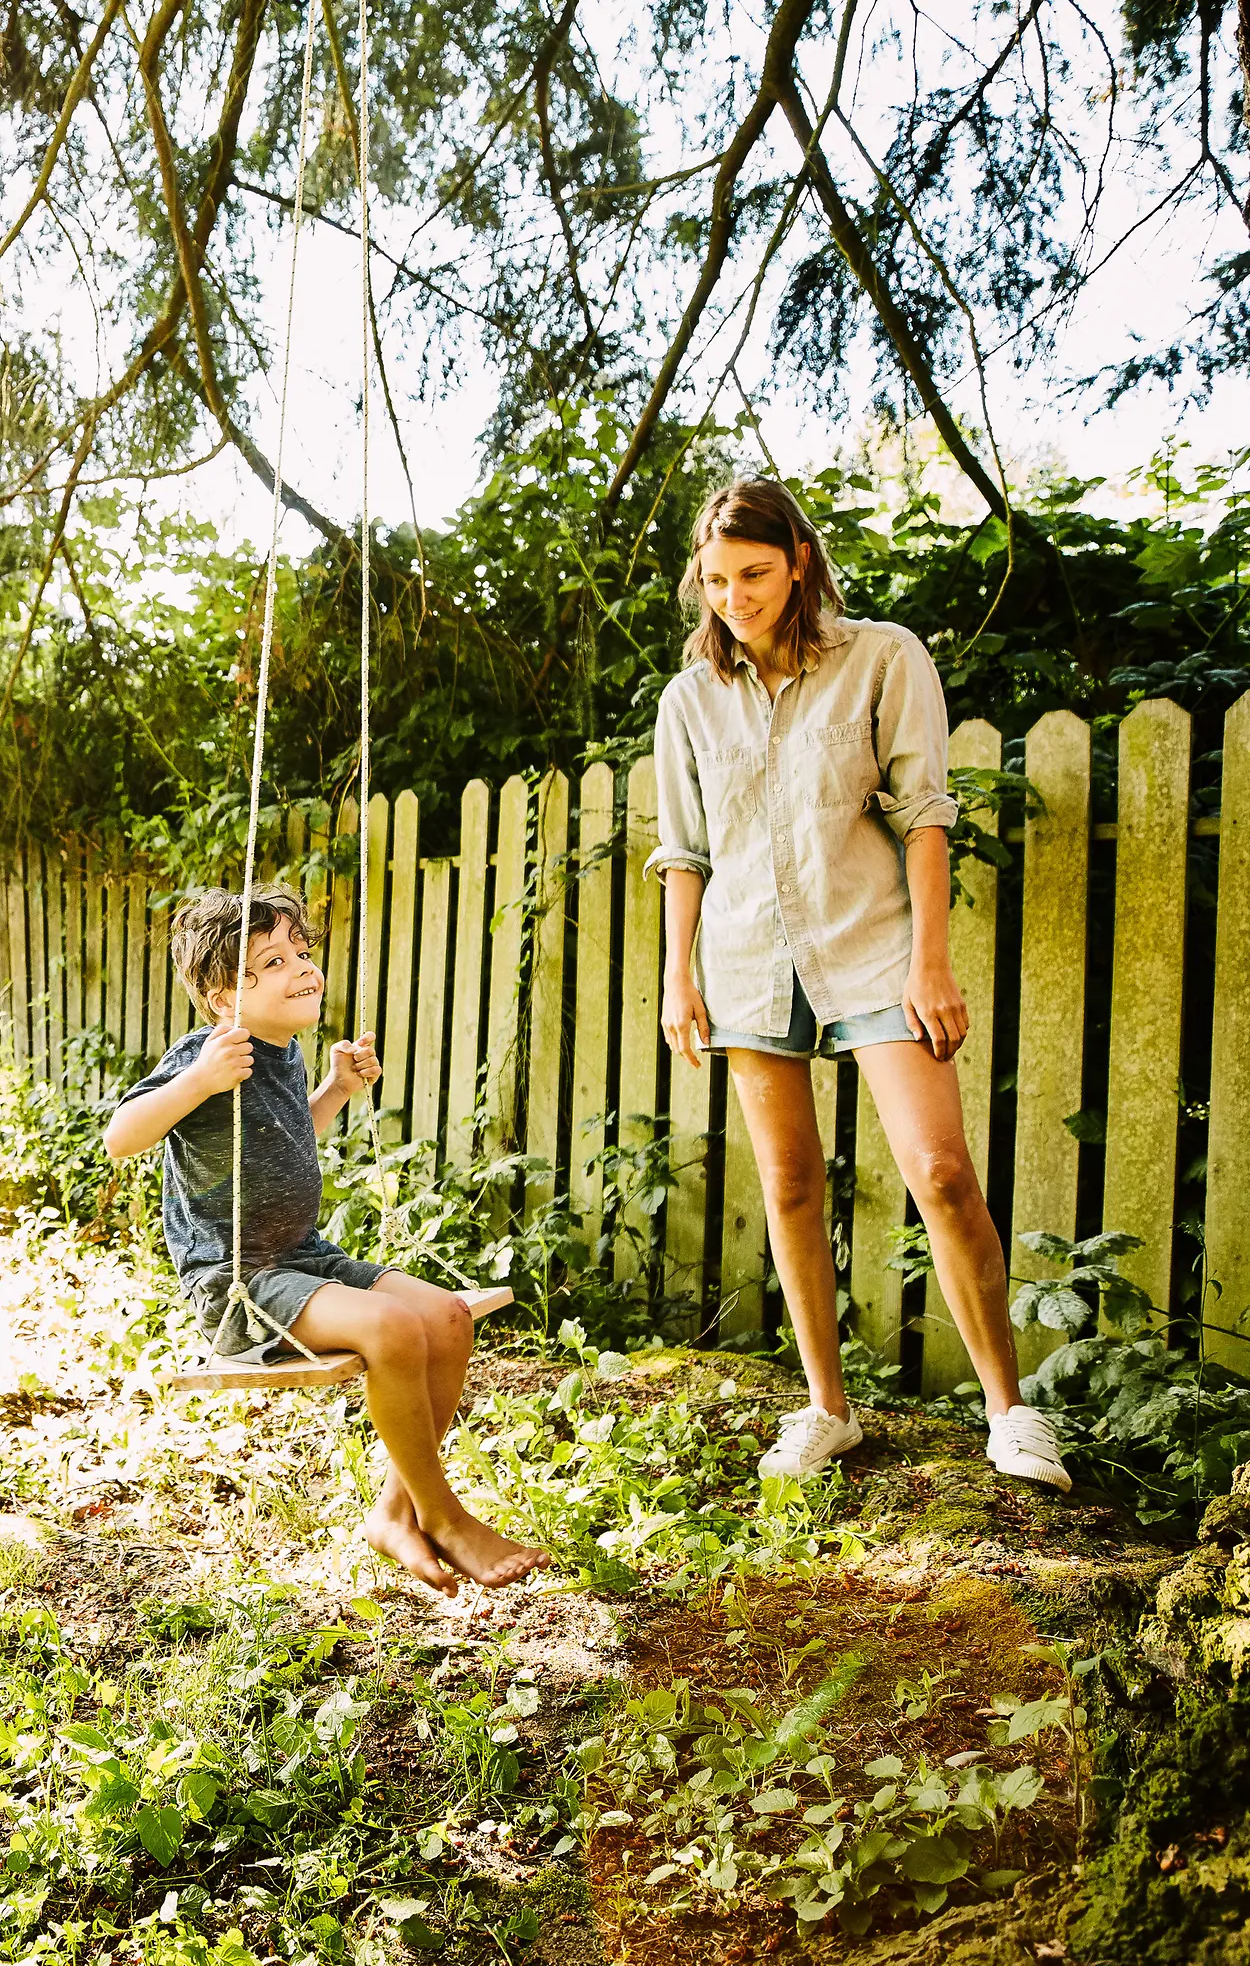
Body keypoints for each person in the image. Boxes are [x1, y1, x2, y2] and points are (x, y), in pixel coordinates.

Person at [650, 478, 1070, 1492]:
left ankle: (1011, 1413)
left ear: (800, 561)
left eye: (755, 573)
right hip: (747, 958)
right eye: (717, 581)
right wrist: (677, 977)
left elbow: (924, 813)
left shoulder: (884, 656)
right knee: (791, 1184)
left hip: (874, 945)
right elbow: (685, 853)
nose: (736, 598)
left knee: (941, 1171)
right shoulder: (688, 701)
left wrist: (932, 961)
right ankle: (827, 1410)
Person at [103, 883, 549, 1593]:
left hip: (304, 1259)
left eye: (301, 951)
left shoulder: (284, 1055)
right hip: (239, 1281)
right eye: (273, 962)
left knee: (447, 1316)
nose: (302, 968)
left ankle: (394, 1513)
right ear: (224, 998)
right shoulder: (209, 1053)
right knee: (393, 1328)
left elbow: (285, 1144)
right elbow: (121, 1136)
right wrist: (198, 1081)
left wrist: (337, 1088)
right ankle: (443, 1516)